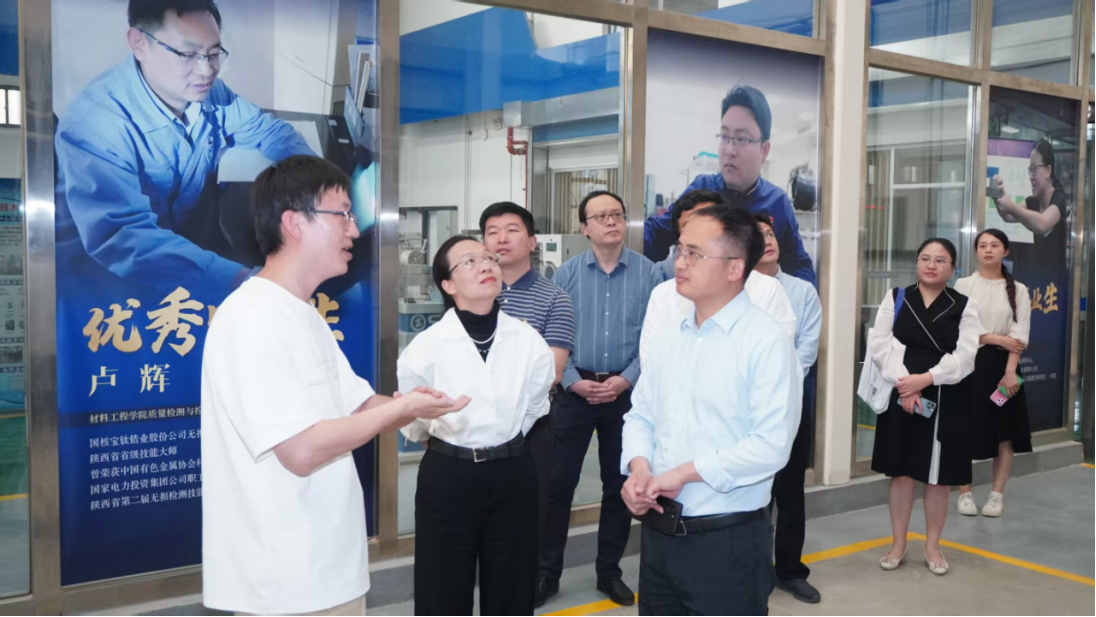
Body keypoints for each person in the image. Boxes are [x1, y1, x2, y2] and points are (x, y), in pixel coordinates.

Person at [201, 155, 467, 616]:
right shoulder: (252, 318)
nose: (354, 230)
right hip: (283, 582)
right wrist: (401, 410)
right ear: (294, 223)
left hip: (328, 567)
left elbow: (359, 404)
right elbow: (301, 450)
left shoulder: (302, 312)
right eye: (342, 214)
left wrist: (419, 404)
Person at [55, 0, 316, 302]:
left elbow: (268, 131)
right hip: (102, 283)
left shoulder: (209, 93)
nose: (207, 70)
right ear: (140, 44)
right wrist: (244, 282)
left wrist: (317, 184)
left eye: (214, 53)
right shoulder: (95, 124)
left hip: (180, 254)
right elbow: (125, 237)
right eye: (188, 54)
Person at [621, 205, 801, 616]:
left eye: (695, 254)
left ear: (735, 268)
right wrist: (639, 468)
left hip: (727, 543)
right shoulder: (670, 335)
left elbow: (771, 446)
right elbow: (641, 415)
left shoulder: (766, 343)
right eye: (680, 250)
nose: (680, 263)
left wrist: (683, 474)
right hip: (659, 534)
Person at [398, 234, 556, 616]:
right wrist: (454, 445)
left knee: (512, 591)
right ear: (448, 285)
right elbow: (414, 422)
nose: (486, 264)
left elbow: (536, 406)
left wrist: (499, 440)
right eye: (470, 261)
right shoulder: (426, 347)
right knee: (442, 591)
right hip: (447, 475)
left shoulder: (528, 340)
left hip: (512, 471)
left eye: (488, 258)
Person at [537, 191, 663, 608]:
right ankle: (546, 572)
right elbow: (553, 335)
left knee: (619, 484)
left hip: (626, 397)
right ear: (584, 227)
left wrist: (627, 379)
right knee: (558, 485)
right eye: (600, 216)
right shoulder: (566, 275)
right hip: (574, 394)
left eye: (617, 214)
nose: (611, 221)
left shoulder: (649, 274)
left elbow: (655, 339)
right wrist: (572, 380)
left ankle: (609, 571)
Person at [869, 238, 981, 576]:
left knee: (937, 477)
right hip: (900, 392)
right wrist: (906, 384)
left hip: (946, 395)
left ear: (953, 268)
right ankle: (898, 544)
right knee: (901, 473)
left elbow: (966, 356)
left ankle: (932, 546)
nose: (931, 265)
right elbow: (879, 345)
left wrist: (926, 379)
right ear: (917, 263)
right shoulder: (896, 298)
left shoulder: (964, 305)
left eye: (940, 260)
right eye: (925, 258)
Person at [479, 201, 576, 576]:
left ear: (533, 241)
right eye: (492, 232)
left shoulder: (555, 298)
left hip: (531, 425)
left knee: (532, 507)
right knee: (484, 506)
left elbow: (552, 372)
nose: (501, 238)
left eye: (512, 230)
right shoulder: (470, 295)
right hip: (476, 423)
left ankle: (531, 579)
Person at [642, 85, 815, 285]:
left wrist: (799, 297)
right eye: (724, 137)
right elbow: (656, 235)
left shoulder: (777, 202)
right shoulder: (702, 191)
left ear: (764, 150)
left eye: (741, 139)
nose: (729, 150)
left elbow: (799, 266)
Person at [639, 190, 798, 368]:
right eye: (689, 229)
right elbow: (651, 366)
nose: (697, 234)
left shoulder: (767, 289)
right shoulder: (663, 295)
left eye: (707, 225)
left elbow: (776, 364)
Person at [753, 214, 823, 604]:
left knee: (790, 490)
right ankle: (754, 568)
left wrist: (775, 385)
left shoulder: (802, 291)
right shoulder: (738, 289)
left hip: (791, 402)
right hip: (746, 408)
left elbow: (806, 350)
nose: (767, 240)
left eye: (770, 233)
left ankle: (791, 571)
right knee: (753, 490)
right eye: (758, 235)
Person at [954, 230, 1032, 518]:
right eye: (983, 245)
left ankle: (996, 495)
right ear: (976, 251)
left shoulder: (1019, 290)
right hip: (968, 366)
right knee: (964, 427)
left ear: (1005, 251)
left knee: (1004, 433)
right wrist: (997, 338)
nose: (988, 250)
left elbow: (1019, 335)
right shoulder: (963, 285)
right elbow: (960, 329)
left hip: (1004, 369)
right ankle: (964, 492)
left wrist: (1011, 372)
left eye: (995, 245)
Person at [990, 138, 1070, 277]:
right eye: (1030, 170)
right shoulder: (1032, 201)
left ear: (1048, 171)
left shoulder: (1058, 199)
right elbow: (1006, 215)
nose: (1031, 176)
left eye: (1034, 169)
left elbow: (1042, 224)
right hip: (1035, 278)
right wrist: (997, 193)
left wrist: (1010, 205)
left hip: (1054, 283)